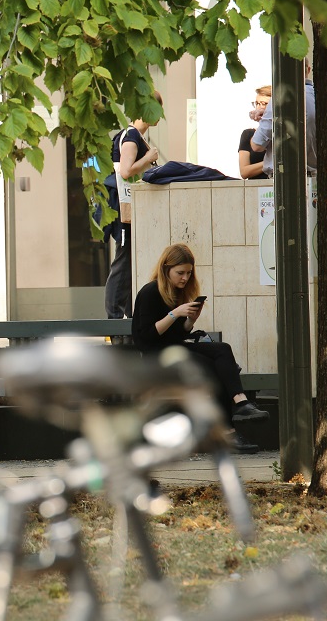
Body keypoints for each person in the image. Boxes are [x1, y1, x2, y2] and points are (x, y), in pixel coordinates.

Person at [132, 243, 269, 453]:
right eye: (180, 273)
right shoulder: (150, 292)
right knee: (213, 367)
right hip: (156, 356)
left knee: (222, 349)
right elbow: (144, 337)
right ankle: (227, 434)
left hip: (175, 348)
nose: (185, 278)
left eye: (188, 273)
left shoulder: (177, 292)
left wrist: (189, 321)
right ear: (165, 268)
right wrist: (175, 314)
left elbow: (177, 334)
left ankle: (240, 402)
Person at [103, 93, 162, 319]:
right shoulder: (131, 136)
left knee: (129, 259)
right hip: (126, 207)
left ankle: (126, 315)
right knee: (124, 259)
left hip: (131, 206)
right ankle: (115, 318)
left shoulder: (135, 136)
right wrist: (149, 158)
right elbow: (127, 171)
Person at [249, 65, 317, 176]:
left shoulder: (279, 96)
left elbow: (257, 145)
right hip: (315, 176)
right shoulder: (318, 95)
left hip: (284, 176)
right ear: (308, 69)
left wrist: (263, 120)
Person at [238, 85, 272, 179]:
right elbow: (244, 172)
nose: (259, 108)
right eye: (257, 103)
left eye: (264, 104)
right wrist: (270, 162)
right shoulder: (248, 134)